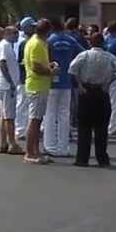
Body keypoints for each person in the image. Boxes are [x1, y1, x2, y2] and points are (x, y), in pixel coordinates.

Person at [68, 34, 116, 167]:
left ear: (91, 43)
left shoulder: (84, 55)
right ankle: (102, 159)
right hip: (102, 90)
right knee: (101, 127)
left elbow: (72, 69)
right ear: (103, 43)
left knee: (84, 127)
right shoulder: (109, 57)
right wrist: (109, 81)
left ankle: (82, 159)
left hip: (86, 90)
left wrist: (79, 85)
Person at [45, 18, 84, 157]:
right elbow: (82, 54)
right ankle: (63, 147)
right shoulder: (70, 40)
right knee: (64, 115)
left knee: (50, 114)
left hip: (52, 82)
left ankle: (50, 146)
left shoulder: (49, 41)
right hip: (67, 82)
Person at [22, 19, 54, 164]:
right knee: (34, 120)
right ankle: (29, 153)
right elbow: (36, 67)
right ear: (47, 31)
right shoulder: (36, 44)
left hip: (39, 85)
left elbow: (38, 64)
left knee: (37, 119)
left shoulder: (36, 42)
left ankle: (35, 151)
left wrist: (48, 65)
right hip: (37, 85)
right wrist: (51, 71)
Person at [0, 26, 23, 155]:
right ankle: (12, 144)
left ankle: (4, 143)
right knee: (9, 116)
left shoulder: (5, 45)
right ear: (7, 33)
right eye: (15, 33)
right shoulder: (5, 45)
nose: (17, 35)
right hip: (6, 86)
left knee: (4, 115)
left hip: (3, 85)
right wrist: (10, 82)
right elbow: (2, 63)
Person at [13, 17, 35, 140]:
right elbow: (20, 61)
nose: (34, 28)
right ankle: (20, 130)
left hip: (31, 78)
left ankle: (27, 130)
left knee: (30, 105)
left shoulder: (30, 41)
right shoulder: (23, 43)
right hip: (23, 78)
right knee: (22, 104)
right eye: (32, 26)